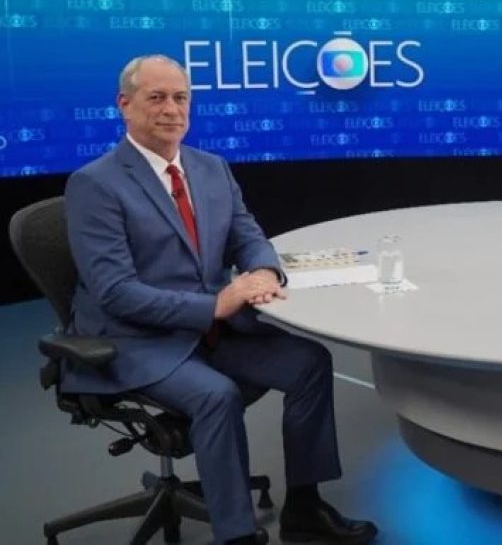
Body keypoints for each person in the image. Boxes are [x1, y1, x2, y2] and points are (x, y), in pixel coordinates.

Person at [63, 55, 378, 544]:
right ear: (124, 105)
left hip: (210, 332)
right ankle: (236, 534)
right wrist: (215, 306)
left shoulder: (210, 168)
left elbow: (247, 236)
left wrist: (264, 270)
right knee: (217, 395)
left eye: (181, 98)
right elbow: (116, 292)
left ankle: (305, 507)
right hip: (138, 340)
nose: (172, 109)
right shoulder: (95, 184)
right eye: (156, 97)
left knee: (309, 362)